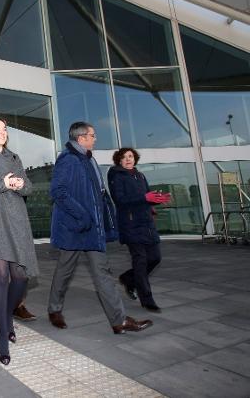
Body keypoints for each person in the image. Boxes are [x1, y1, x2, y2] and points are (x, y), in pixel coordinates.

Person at [47, 121, 153, 335]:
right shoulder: (68, 160)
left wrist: (103, 214)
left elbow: (97, 193)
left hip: (93, 229)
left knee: (102, 273)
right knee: (64, 271)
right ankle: (54, 309)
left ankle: (119, 320)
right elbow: (57, 191)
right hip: (75, 228)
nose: (95, 138)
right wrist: (82, 215)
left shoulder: (89, 159)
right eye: (93, 135)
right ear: (81, 138)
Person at [0, 118, 39, 366]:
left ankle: (6, 316)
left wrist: (22, 183)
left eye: (5, 129)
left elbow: (30, 188)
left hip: (17, 221)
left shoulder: (15, 157)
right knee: (0, 277)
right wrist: (4, 183)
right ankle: (2, 335)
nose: (3, 132)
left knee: (21, 277)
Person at [108, 147, 170, 313]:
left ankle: (128, 278)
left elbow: (147, 196)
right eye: (124, 157)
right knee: (141, 261)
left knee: (155, 258)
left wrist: (156, 201)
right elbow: (119, 200)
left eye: (130, 156)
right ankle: (147, 300)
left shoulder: (140, 175)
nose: (128, 159)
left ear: (134, 158)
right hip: (130, 225)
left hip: (147, 224)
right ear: (119, 160)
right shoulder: (115, 175)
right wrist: (144, 198)